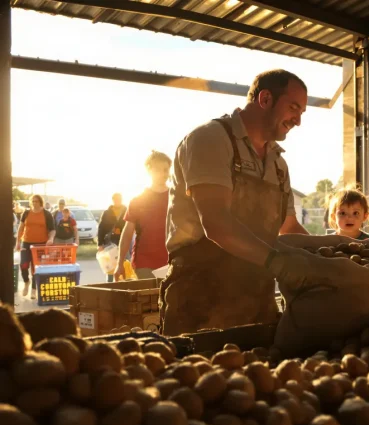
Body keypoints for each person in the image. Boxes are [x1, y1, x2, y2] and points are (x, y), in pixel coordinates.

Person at [161, 69, 320, 335]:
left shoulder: (278, 164)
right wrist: (279, 263)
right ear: (265, 99)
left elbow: (289, 227)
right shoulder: (210, 139)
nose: (298, 121)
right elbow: (216, 223)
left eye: (302, 112)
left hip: (258, 300)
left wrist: (330, 258)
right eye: (294, 108)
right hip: (200, 298)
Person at [113, 151, 172, 281]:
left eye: (166, 170)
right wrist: (119, 263)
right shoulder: (138, 200)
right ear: (149, 170)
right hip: (144, 262)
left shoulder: (176, 197)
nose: (163, 173)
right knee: (151, 293)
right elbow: (127, 233)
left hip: (172, 261)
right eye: (158, 169)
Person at [15, 194, 55, 300]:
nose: (34, 203)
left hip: (40, 244)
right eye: (32, 201)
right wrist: (17, 242)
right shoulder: (26, 213)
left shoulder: (46, 214)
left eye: (36, 201)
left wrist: (51, 239)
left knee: (36, 268)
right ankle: (26, 282)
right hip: (26, 242)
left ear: (40, 202)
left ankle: (33, 289)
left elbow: (52, 230)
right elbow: (21, 228)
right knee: (23, 265)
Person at [98, 193, 129, 282]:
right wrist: (100, 244)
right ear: (113, 200)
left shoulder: (127, 211)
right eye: (116, 199)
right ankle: (110, 283)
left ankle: (124, 283)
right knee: (110, 265)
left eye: (119, 199)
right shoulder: (107, 212)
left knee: (125, 263)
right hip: (109, 242)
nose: (117, 200)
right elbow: (101, 228)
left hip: (123, 240)